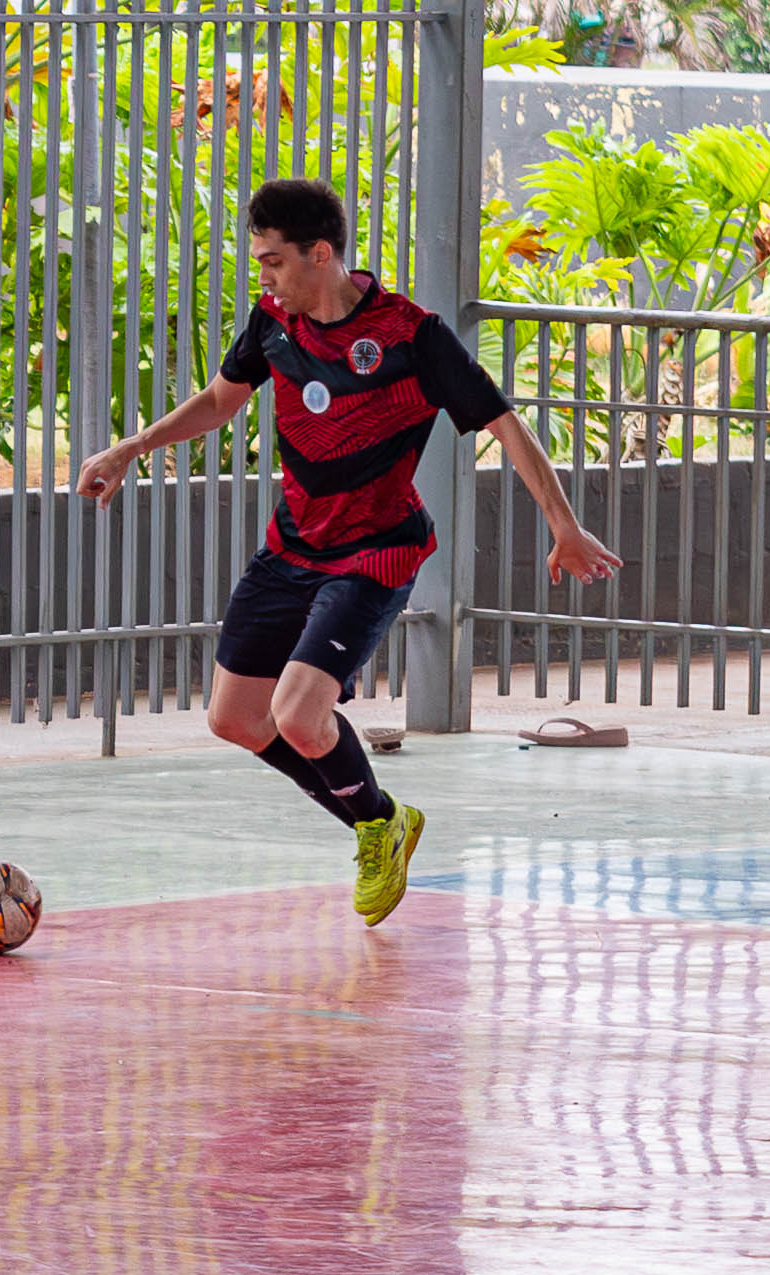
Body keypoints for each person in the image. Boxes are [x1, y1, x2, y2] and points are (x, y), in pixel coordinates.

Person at [76, 177, 616, 926]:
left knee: (300, 715)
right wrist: (132, 446)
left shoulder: (409, 334)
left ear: (320, 254)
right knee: (235, 719)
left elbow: (504, 424)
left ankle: (373, 828)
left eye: (273, 261)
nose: (264, 276)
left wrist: (564, 525)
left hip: (376, 552)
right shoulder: (273, 321)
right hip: (293, 546)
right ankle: (381, 821)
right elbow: (221, 400)